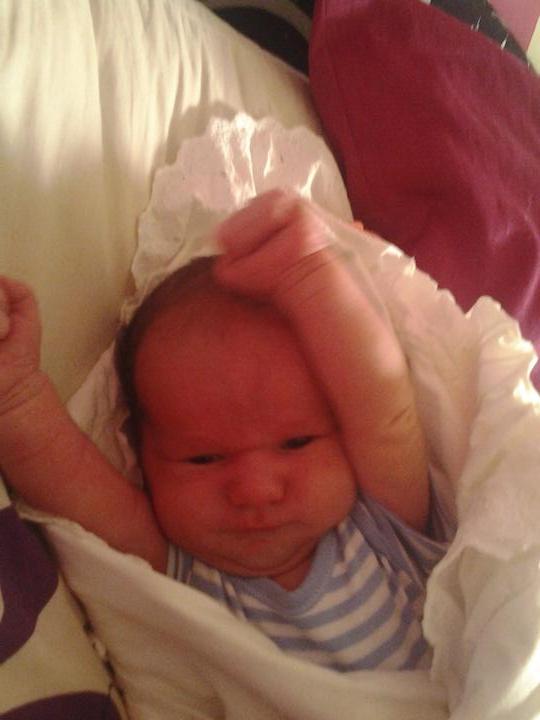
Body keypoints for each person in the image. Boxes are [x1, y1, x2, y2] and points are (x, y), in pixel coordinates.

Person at [0, 190, 446, 672]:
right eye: (204, 459)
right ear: (141, 458)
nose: (255, 491)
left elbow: (382, 400)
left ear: (343, 433)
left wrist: (311, 277)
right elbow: (70, 481)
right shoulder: (182, 578)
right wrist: (15, 395)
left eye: (296, 443)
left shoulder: (383, 532)